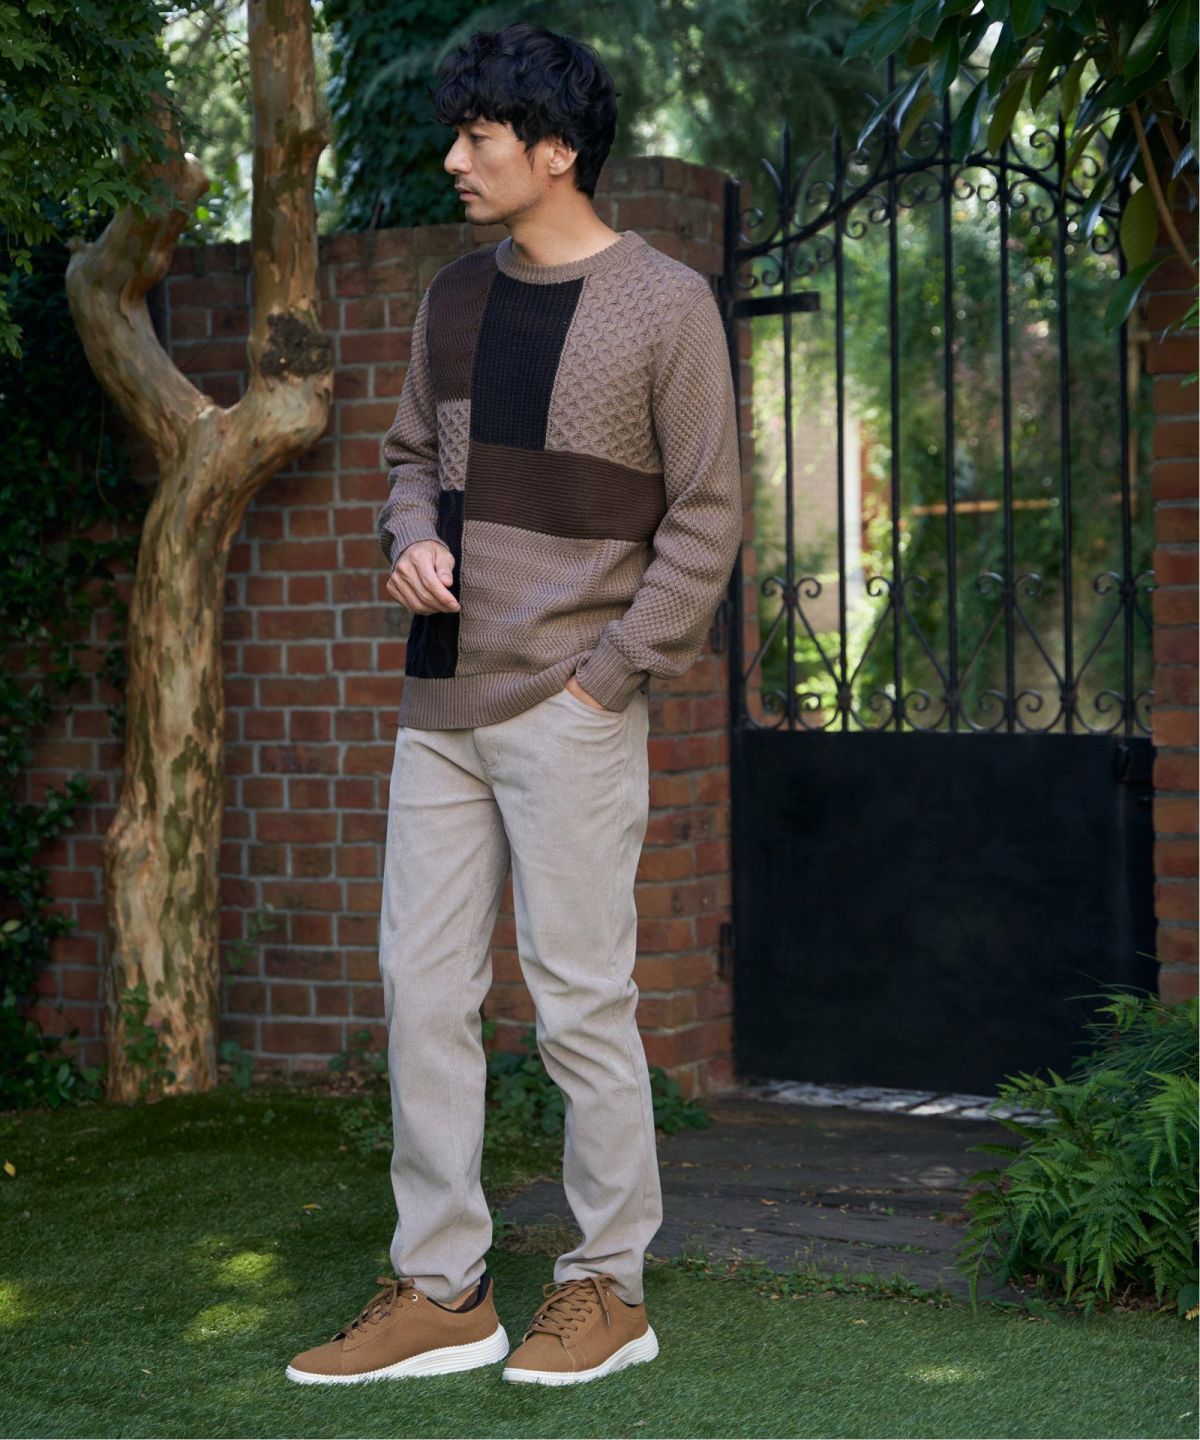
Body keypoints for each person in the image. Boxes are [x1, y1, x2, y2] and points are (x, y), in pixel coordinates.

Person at [286, 19, 742, 1388]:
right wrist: (410, 535)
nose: (454, 159)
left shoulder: (665, 306)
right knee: (420, 992)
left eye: (478, 136)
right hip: (442, 704)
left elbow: (708, 518)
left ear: (554, 151)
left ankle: (609, 1287)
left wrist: (610, 678)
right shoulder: (452, 298)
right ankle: (444, 1289)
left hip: (569, 701)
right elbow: (407, 459)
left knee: (580, 1003)